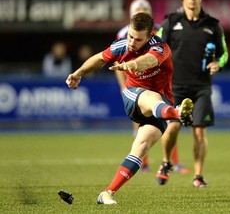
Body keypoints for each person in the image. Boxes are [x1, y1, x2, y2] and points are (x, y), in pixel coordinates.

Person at [65, 12, 194, 204]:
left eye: (138, 39)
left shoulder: (160, 48)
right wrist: (78, 73)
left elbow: (149, 61)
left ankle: (107, 193)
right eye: (130, 36)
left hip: (159, 108)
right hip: (134, 97)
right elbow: (100, 58)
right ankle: (177, 114)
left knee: (140, 148)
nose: (132, 42)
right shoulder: (122, 45)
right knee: (152, 97)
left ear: (150, 37)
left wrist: (132, 64)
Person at [155, 0, 229, 188]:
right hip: (174, 86)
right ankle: (166, 162)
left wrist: (218, 64)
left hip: (201, 87)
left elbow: (224, 54)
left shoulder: (212, 25)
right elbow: (156, 47)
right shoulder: (170, 22)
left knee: (199, 131)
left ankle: (198, 176)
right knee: (173, 128)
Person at [115, 0, 189, 173]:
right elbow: (118, 61)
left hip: (158, 84)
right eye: (138, 10)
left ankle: (172, 162)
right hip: (136, 84)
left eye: (144, 10)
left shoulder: (159, 30)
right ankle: (144, 163)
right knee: (140, 124)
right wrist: (123, 86)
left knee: (169, 121)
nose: (141, 13)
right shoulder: (124, 33)